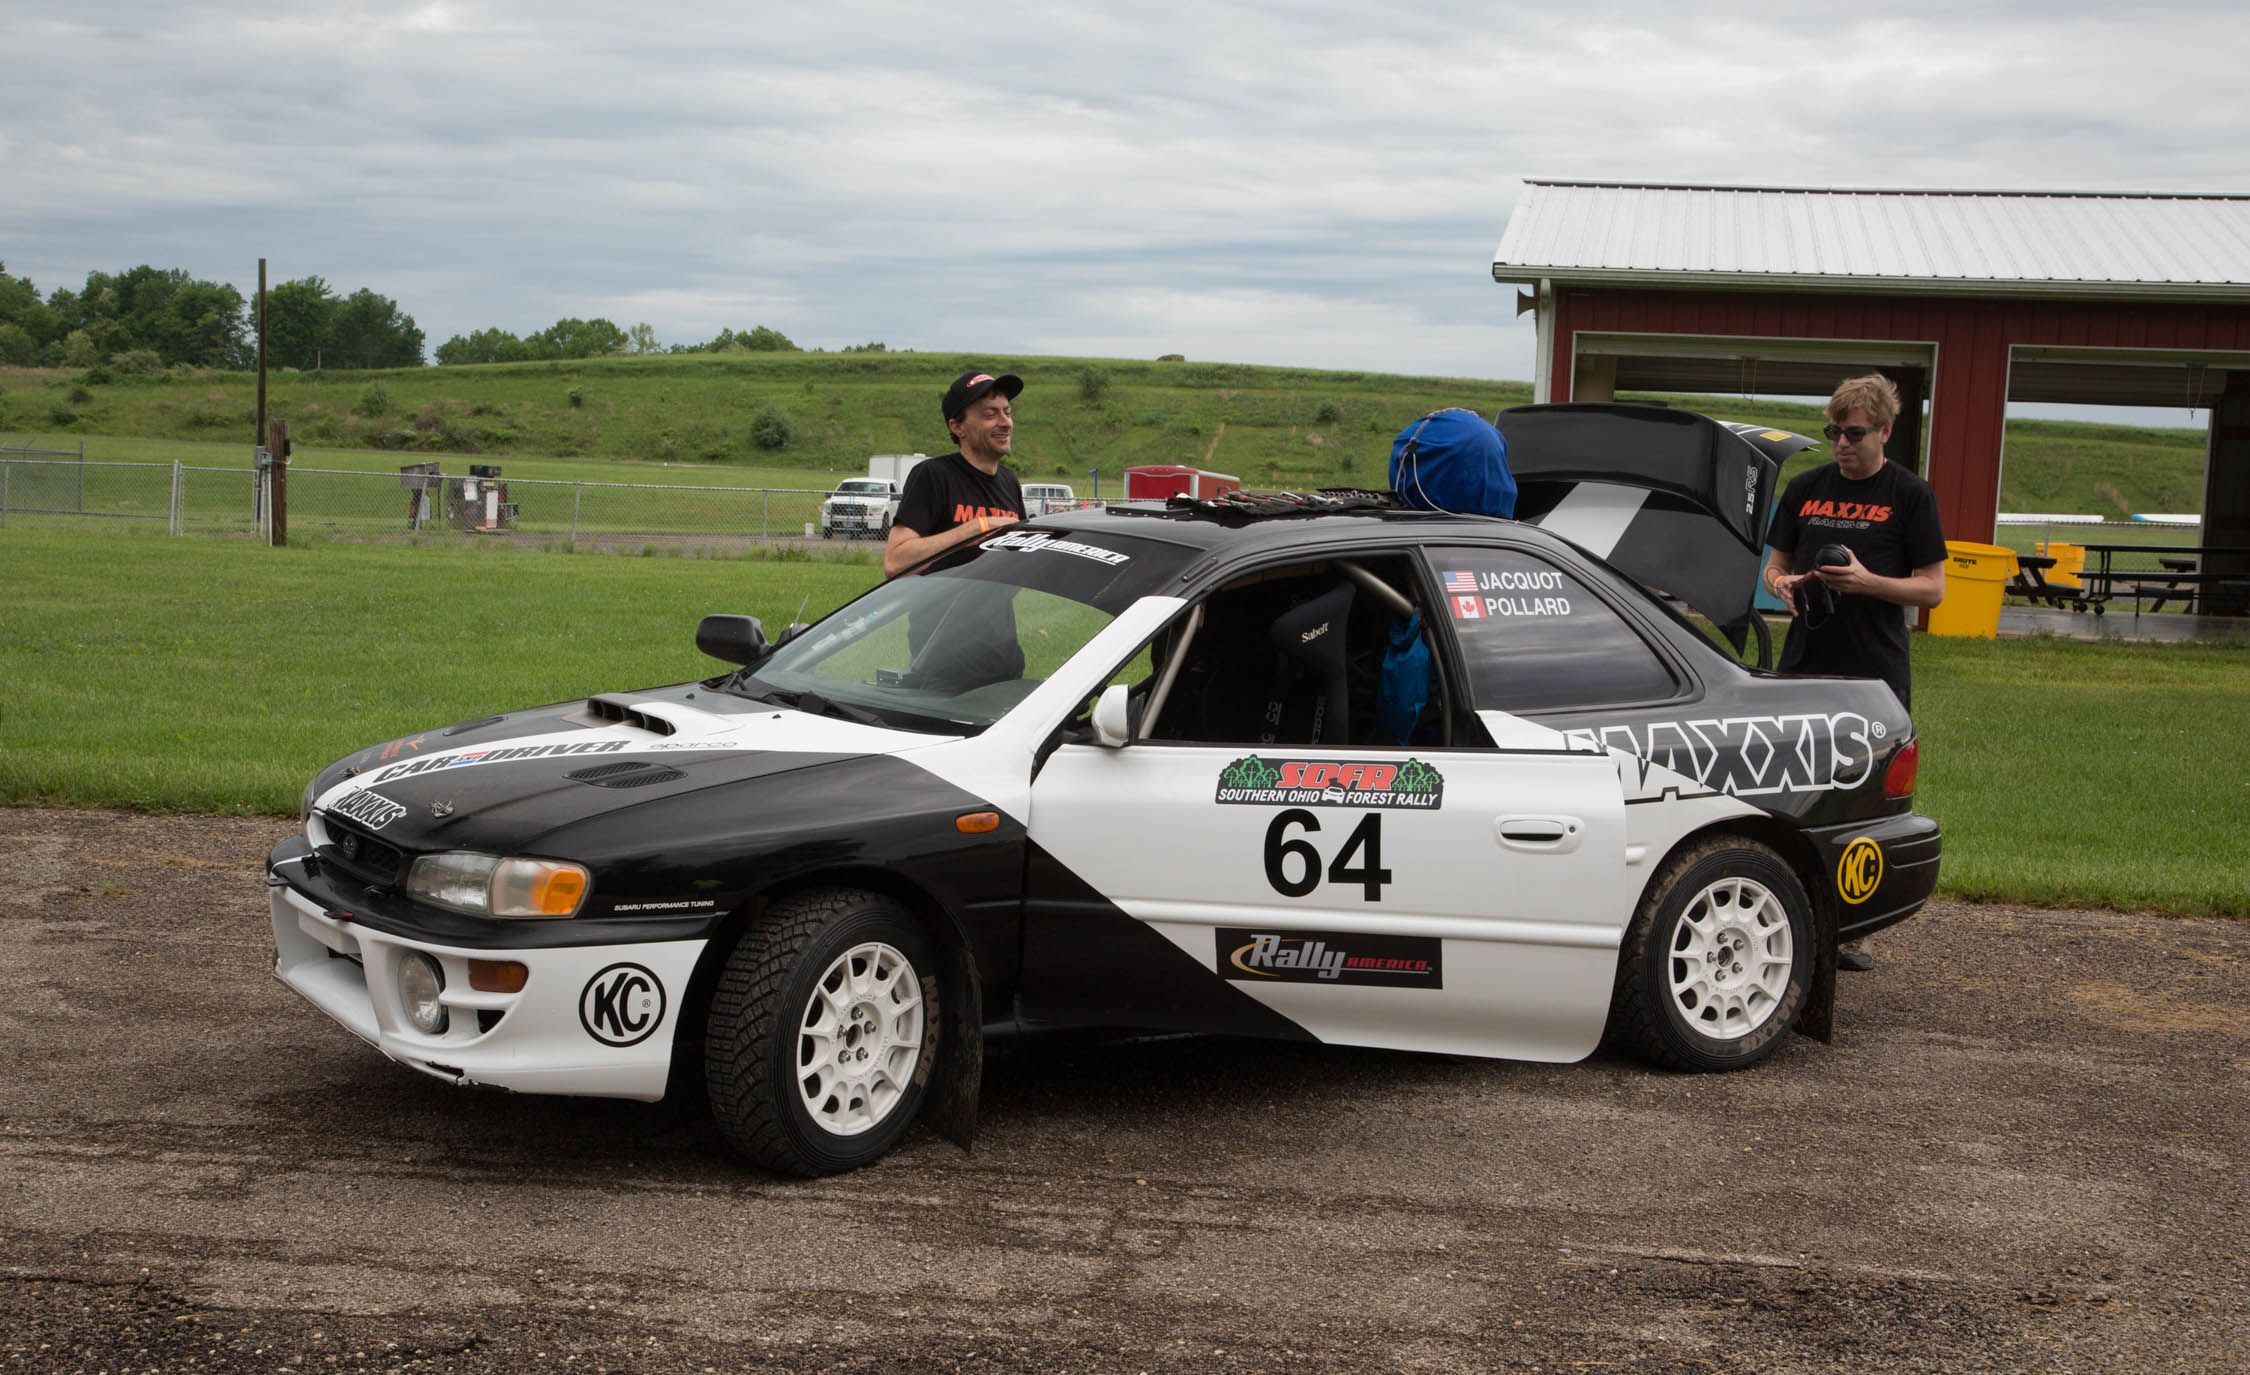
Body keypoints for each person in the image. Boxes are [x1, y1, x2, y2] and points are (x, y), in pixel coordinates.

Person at [1762, 373, 1946, 972]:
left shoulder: (1909, 495)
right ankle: (1793, 919)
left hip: (1874, 670)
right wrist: (1782, 585)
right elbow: (1776, 565)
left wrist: (1868, 583)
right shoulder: (1806, 487)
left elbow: (1933, 590)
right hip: (1807, 663)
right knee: (1792, 792)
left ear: (1885, 432)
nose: (1842, 443)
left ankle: (1845, 928)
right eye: (1834, 432)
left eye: (1855, 433)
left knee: (1859, 799)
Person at [883, 370, 1026, 579]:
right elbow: (895, 562)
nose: (1005, 423)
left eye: (1007, 412)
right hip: (941, 612)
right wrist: (978, 528)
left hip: (998, 612)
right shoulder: (934, 475)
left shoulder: (1009, 481)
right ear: (958, 427)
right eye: (990, 414)